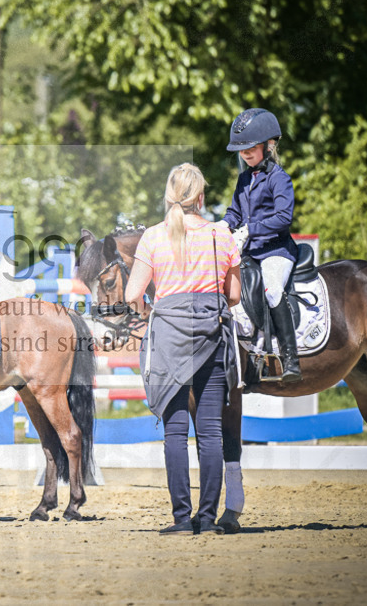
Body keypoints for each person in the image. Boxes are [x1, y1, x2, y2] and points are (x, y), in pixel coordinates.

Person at [125, 163, 241, 536]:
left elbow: (131, 295)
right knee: (209, 433)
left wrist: (149, 306)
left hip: (169, 343)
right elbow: (234, 295)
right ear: (201, 197)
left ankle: (180, 519)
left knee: (174, 433)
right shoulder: (220, 236)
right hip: (211, 338)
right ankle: (207, 519)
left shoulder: (155, 237)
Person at [222, 107, 301, 382]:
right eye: (241, 150)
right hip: (250, 251)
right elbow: (234, 212)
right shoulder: (243, 179)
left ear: (268, 146)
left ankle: (291, 360)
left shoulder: (279, 178)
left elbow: (283, 217)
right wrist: (224, 226)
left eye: (250, 148)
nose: (244, 154)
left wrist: (249, 230)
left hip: (276, 251)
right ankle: (253, 356)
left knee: (271, 291)